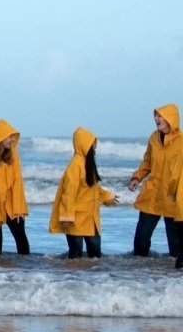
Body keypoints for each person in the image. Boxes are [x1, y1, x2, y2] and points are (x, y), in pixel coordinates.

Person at [49, 127, 118, 258]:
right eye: (93, 142)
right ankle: (73, 272)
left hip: (91, 219)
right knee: (75, 255)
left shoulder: (88, 163)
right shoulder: (75, 166)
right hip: (76, 219)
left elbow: (93, 188)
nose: (96, 146)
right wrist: (66, 217)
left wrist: (107, 196)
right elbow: (68, 194)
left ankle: (93, 272)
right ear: (84, 144)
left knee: (95, 255)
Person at [128, 104, 181, 257]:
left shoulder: (181, 142)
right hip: (152, 195)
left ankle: (171, 272)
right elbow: (147, 162)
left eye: (160, 116)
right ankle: (141, 269)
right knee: (141, 241)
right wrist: (137, 177)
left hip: (172, 197)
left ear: (170, 118)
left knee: (176, 249)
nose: (157, 119)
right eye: (156, 116)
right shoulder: (153, 138)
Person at [0, 119, 30, 255]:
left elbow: (17, 182)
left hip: (11, 203)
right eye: (9, 136)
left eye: (13, 136)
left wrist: (19, 208)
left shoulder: (13, 154)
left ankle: (26, 268)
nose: (12, 139)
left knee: (21, 237)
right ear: (0, 137)